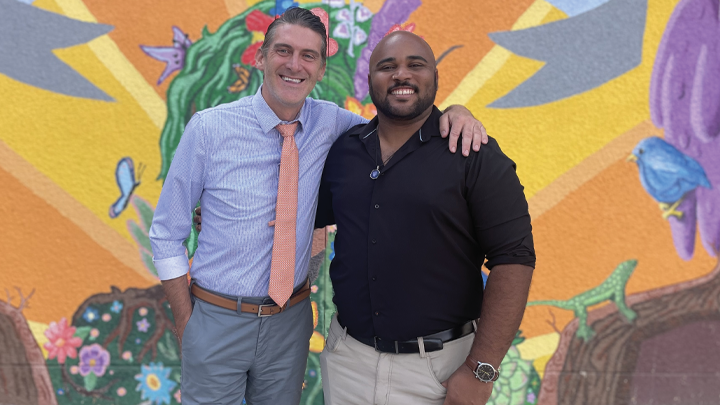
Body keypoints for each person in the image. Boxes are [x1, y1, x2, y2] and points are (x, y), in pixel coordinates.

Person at [150, 7, 488, 405]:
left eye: (309, 55)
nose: (295, 65)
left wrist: (455, 113)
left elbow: (401, 120)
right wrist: (188, 323)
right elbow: (166, 233)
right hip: (215, 317)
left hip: (289, 321)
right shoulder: (208, 129)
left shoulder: (336, 126)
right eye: (283, 51)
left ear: (321, 69)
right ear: (261, 57)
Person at [314, 31, 535, 405]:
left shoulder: (473, 153)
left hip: (441, 370)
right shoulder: (345, 151)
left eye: (415, 65)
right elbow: (305, 218)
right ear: (370, 81)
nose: (402, 75)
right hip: (347, 361)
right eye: (387, 67)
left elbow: (514, 259)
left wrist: (481, 370)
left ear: (434, 76)